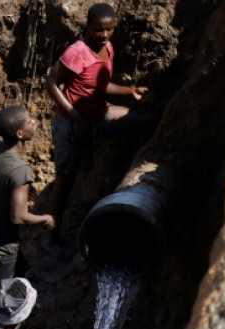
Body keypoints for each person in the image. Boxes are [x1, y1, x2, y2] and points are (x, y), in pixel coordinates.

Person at [46, 2, 155, 237]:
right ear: (88, 27)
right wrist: (75, 116)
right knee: (64, 182)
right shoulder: (77, 52)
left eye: (109, 29)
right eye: (98, 29)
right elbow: (51, 83)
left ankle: (136, 184)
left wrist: (130, 91)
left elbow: (101, 85)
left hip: (98, 115)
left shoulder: (108, 48)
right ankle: (50, 235)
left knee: (146, 121)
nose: (104, 35)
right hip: (70, 124)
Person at [0, 105, 54, 314]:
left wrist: (11, 192)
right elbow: (18, 217)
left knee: (20, 269)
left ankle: (21, 311)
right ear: (20, 134)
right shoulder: (19, 169)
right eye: (29, 121)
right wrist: (45, 219)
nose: (34, 122)